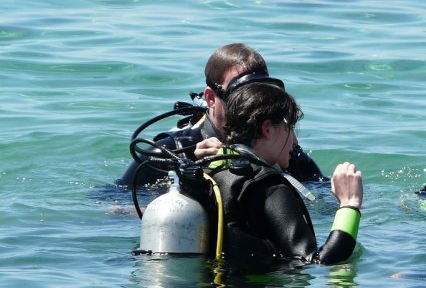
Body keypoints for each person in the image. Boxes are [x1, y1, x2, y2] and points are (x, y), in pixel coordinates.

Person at [200, 81, 362, 265]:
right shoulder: (269, 187)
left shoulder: (213, 168)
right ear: (267, 129)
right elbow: (317, 261)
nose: (294, 141)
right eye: (290, 127)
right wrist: (350, 204)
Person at [118, 43, 324, 187]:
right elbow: (114, 207)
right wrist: (189, 181)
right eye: (240, 97)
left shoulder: (283, 151)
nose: (254, 106)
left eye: (260, 96)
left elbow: (323, 203)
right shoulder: (172, 152)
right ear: (210, 98)